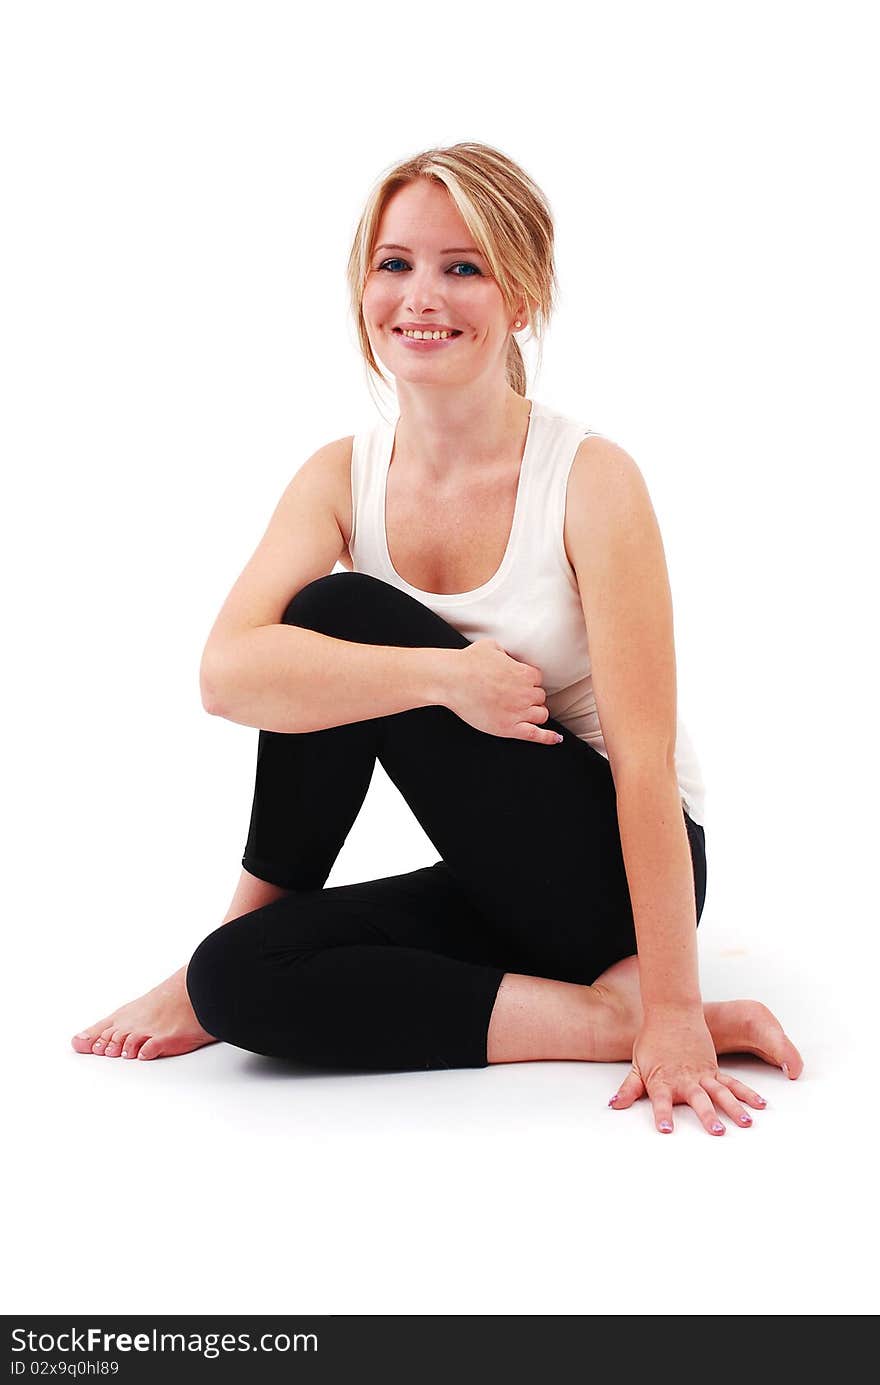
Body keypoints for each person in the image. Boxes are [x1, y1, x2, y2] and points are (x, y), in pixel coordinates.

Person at [71, 141, 803, 1135]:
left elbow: (642, 764)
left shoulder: (591, 480)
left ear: (523, 296)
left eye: (463, 266)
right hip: (495, 875)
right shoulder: (340, 474)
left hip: (616, 875)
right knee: (237, 978)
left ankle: (654, 1002)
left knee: (334, 615)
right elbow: (228, 674)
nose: (421, 295)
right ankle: (598, 1018)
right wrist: (445, 678)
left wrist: (673, 1010)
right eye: (395, 263)